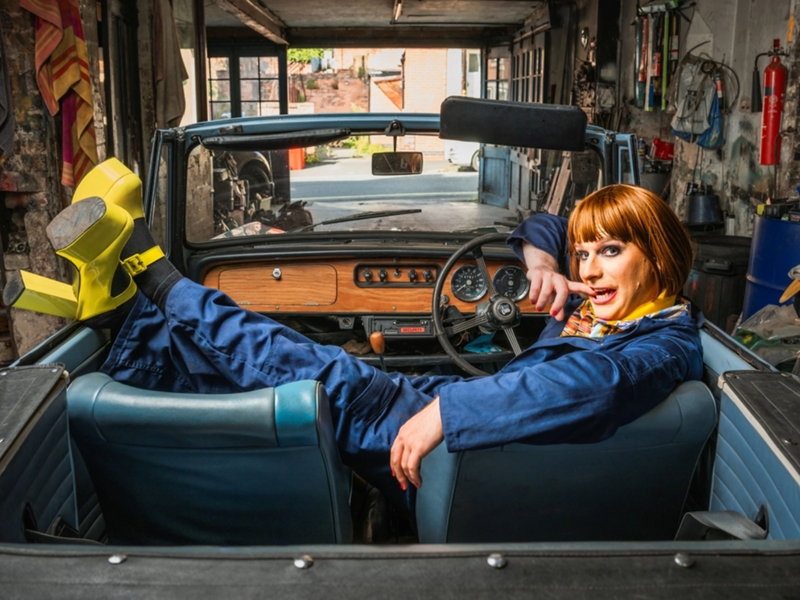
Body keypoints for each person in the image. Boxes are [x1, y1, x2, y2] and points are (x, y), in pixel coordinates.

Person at [3, 161, 702, 516]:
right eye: (587, 253)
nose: (590, 267)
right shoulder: (618, 310)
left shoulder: (658, 347)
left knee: (297, 362)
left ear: (660, 255)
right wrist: (544, 259)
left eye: (611, 251)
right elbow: (548, 228)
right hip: (461, 410)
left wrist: (446, 413)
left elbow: (583, 382)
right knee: (250, 373)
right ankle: (123, 316)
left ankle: (152, 284)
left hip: (466, 441)